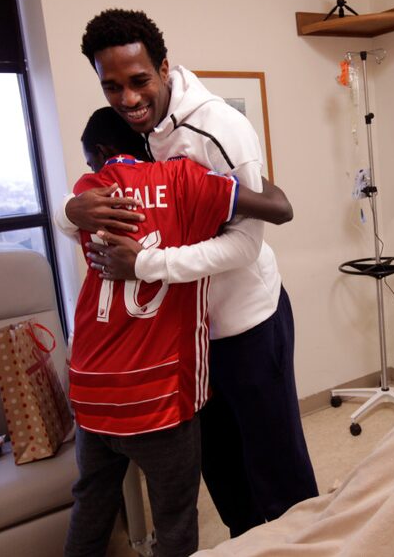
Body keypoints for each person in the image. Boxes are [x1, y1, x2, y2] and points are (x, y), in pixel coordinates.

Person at [57, 9, 318, 538]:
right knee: (219, 467)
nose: (128, 99)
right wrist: (70, 212)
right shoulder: (136, 132)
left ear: (165, 68)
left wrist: (148, 265)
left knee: (276, 467)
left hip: (246, 325)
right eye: (112, 87)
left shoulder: (219, 129)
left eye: (139, 82)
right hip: (187, 338)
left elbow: (247, 243)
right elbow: (103, 191)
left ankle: (309, 545)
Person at [65, 107, 293, 557]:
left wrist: (69, 209)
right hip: (157, 392)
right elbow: (278, 208)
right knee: (174, 518)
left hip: (90, 386)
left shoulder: (90, 193)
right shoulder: (185, 180)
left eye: (92, 160)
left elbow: (70, 217)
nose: (93, 169)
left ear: (106, 154)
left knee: (91, 504)